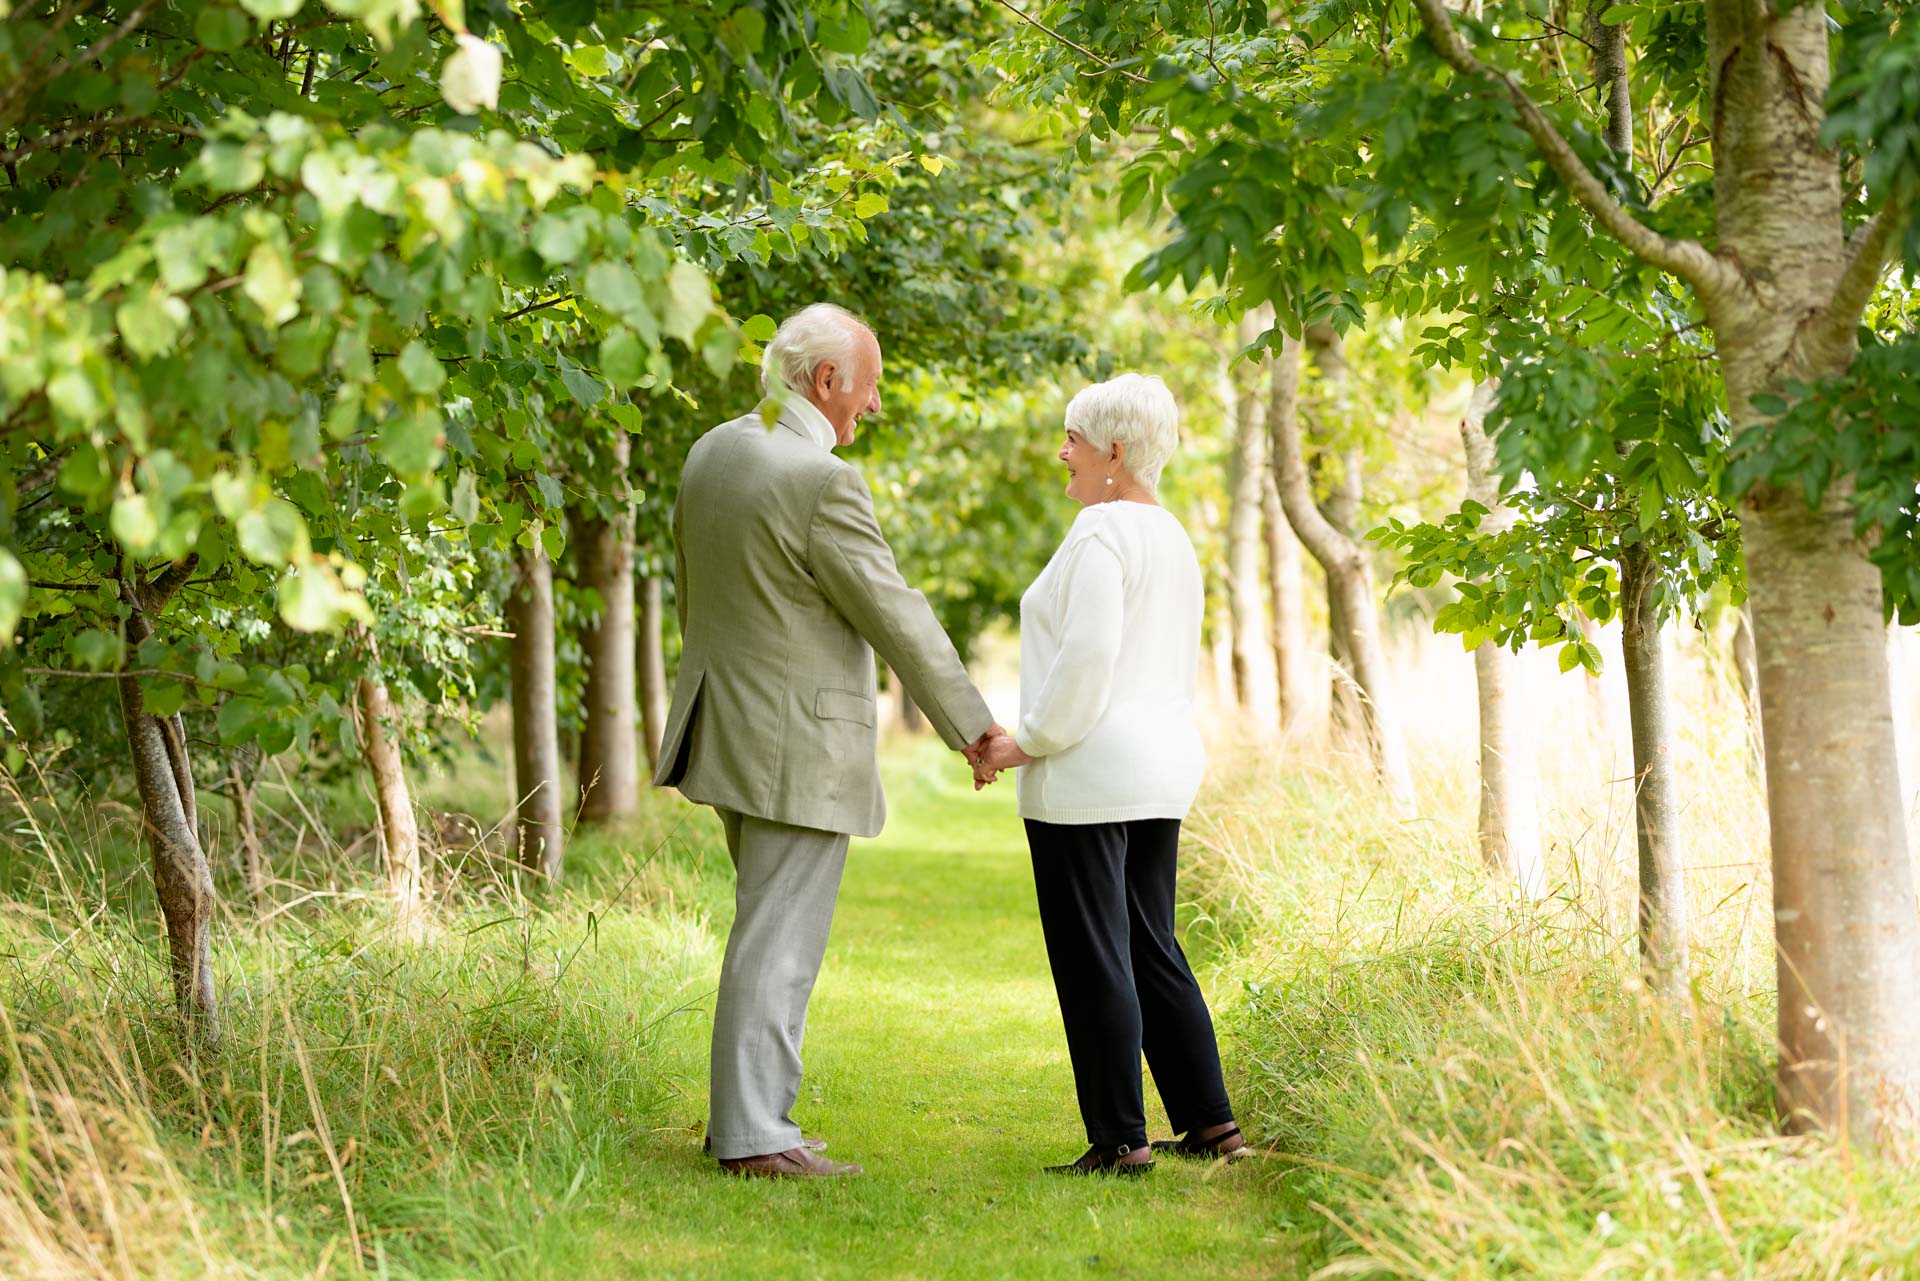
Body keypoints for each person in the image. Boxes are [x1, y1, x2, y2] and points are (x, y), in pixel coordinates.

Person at [654, 303, 1003, 1180]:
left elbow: (697, 590)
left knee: (761, 927)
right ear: (824, 382)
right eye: (869, 387)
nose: (872, 407)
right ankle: (754, 1135)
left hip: (722, 725)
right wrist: (975, 726)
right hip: (797, 743)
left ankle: (748, 1115)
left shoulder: (713, 451)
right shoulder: (818, 480)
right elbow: (897, 615)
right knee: (779, 939)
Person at [975, 373, 1247, 1175]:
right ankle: (1211, 1124)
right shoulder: (1173, 538)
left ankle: (1121, 1139)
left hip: (1090, 775)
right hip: (1161, 766)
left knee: (1097, 955)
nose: (1062, 451)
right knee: (1152, 946)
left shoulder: (1099, 535)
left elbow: (1087, 658)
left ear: (1115, 451)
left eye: (1073, 437)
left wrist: (1025, 742)